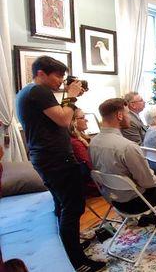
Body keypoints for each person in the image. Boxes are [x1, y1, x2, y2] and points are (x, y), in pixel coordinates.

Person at [15, 56, 105, 271]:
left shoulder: (28, 92)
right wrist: (71, 96)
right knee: (73, 208)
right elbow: (65, 120)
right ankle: (78, 261)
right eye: (57, 76)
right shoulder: (38, 91)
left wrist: (69, 97)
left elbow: (60, 116)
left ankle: (67, 247)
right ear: (40, 73)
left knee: (62, 206)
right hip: (56, 159)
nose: (60, 81)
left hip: (45, 157)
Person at [89, 98, 156, 231]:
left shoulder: (93, 142)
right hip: (136, 202)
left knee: (155, 173)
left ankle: (150, 217)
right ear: (119, 116)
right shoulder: (127, 146)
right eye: (128, 114)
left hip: (115, 200)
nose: (130, 118)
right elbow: (148, 183)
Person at [68, 106, 98, 196]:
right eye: (82, 118)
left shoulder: (80, 138)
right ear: (73, 122)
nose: (86, 120)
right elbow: (91, 166)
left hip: (91, 179)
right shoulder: (76, 143)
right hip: (92, 185)